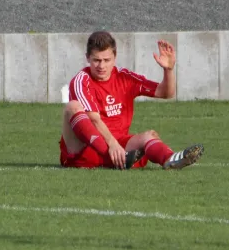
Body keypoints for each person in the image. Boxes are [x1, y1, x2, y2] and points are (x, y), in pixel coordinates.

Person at [59, 30, 204, 170]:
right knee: (72, 107)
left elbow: (165, 93)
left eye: (106, 60)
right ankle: (116, 160)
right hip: (84, 151)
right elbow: (94, 120)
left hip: (121, 150)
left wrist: (168, 70)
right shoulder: (81, 80)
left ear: (115, 57)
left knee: (148, 137)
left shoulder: (125, 77)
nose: (101, 66)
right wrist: (112, 145)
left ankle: (170, 159)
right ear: (87, 58)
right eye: (96, 60)